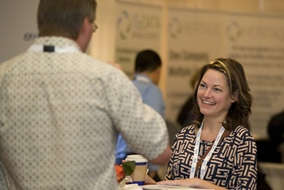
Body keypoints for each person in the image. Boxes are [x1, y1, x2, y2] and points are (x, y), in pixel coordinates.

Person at [0, 0, 171, 189]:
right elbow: (160, 151)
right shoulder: (107, 78)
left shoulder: (3, 76)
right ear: (85, 25)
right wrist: (125, 90)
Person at [158, 58, 257, 189]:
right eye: (203, 86)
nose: (206, 94)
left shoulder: (241, 140)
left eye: (216, 89)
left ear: (234, 96)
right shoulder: (184, 135)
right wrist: (145, 180)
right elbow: (169, 185)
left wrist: (200, 184)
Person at [116, 49, 166, 181]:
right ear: (158, 70)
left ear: (134, 69)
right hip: (142, 161)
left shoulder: (125, 88)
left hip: (120, 157)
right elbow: (152, 132)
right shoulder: (155, 92)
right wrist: (153, 168)